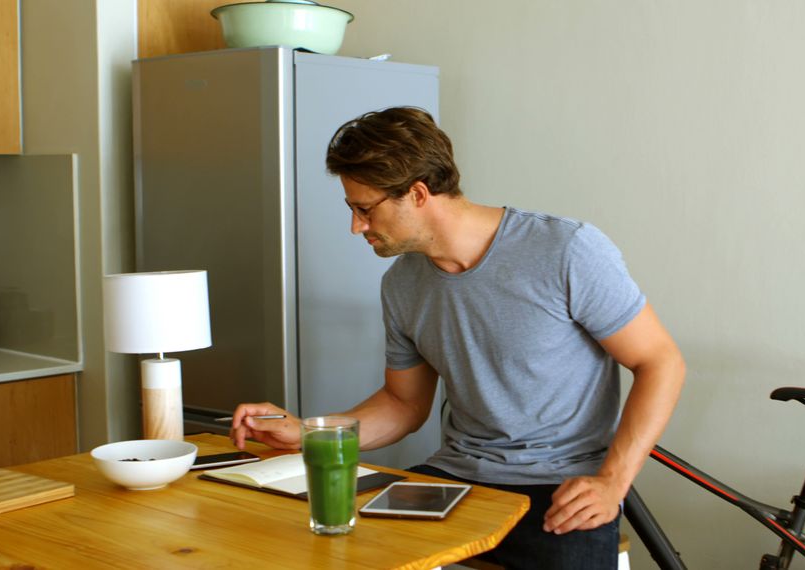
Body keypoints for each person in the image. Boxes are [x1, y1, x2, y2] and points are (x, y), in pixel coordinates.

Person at [229, 107, 685, 569]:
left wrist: (613, 481)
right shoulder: (402, 285)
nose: (357, 226)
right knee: (330, 550)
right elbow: (403, 404)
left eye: (364, 209)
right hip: (456, 476)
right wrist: (310, 432)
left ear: (418, 194)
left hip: (560, 486)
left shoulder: (566, 250)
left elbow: (660, 362)